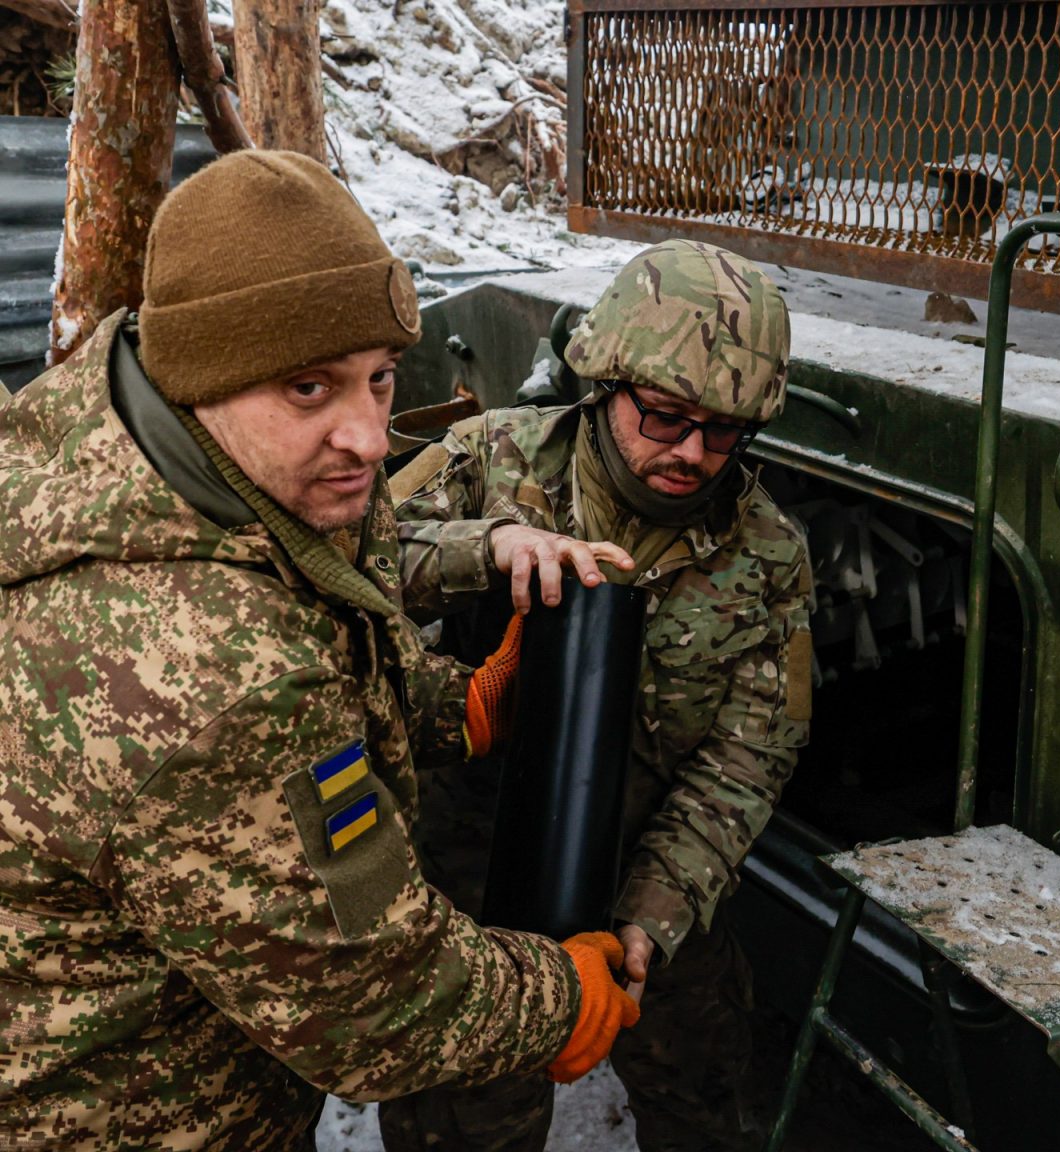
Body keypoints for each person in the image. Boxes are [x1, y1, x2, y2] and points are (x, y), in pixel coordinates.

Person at [0, 149, 637, 1151]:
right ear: (202, 372)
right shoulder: (209, 677)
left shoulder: (177, 445)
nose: (370, 438)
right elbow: (381, 1004)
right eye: (309, 387)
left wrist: (454, 706)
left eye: (379, 378)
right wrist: (565, 996)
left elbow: (325, 637)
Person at [382, 238, 814, 1151]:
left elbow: (748, 758)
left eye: (724, 431)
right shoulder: (488, 460)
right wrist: (486, 549)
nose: (692, 453)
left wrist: (653, 915)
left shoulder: (767, 553)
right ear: (605, 383)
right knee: (464, 1128)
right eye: (664, 416)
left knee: (704, 1096)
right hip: (472, 897)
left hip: (652, 877)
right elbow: (349, 569)